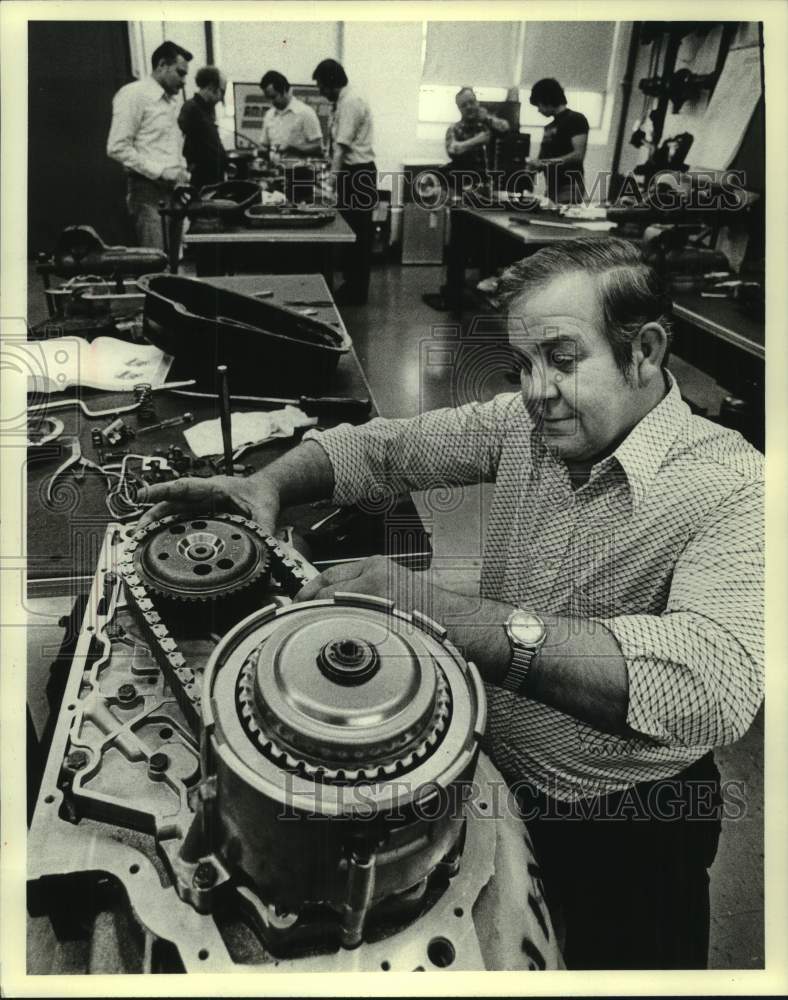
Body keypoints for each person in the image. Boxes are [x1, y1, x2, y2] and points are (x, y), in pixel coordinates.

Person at [137, 237, 763, 970]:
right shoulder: (525, 427)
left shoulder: (736, 488)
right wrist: (272, 484)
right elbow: (385, 450)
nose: (535, 391)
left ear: (646, 350)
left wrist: (441, 611)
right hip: (488, 781)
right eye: (523, 365)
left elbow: (716, 684)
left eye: (562, 359)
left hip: (626, 828)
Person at [107, 40, 193, 251]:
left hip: (173, 193)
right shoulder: (134, 94)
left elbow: (168, 145)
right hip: (148, 194)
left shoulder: (169, 102)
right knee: (156, 265)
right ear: (162, 65)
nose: (184, 82)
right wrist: (161, 171)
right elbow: (117, 146)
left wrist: (181, 171)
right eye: (180, 73)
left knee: (174, 265)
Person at [312, 58, 376, 306]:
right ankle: (351, 286)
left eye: (320, 86)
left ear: (331, 83)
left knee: (357, 237)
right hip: (352, 173)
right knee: (350, 235)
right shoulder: (341, 103)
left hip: (358, 174)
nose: (319, 91)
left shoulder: (350, 102)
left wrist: (329, 185)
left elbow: (340, 149)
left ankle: (357, 293)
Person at [526, 78, 589, 204]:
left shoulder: (576, 119)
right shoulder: (549, 127)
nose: (538, 110)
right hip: (552, 189)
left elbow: (578, 155)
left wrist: (544, 163)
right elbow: (543, 160)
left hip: (569, 187)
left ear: (547, 100)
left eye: (539, 105)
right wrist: (533, 165)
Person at [177, 65, 228, 190]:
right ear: (211, 87)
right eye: (222, 92)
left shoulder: (206, 110)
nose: (221, 99)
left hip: (212, 182)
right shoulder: (191, 108)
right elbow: (180, 142)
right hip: (200, 183)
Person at [445, 86, 510, 182]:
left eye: (471, 102)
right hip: (464, 182)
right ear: (459, 109)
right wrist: (476, 141)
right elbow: (452, 149)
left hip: (489, 182)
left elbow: (505, 127)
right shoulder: (454, 128)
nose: (469, 107)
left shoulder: (488, 124)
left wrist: (487, 118)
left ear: (477, 103)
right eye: (464, 105)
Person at [259, 70, 324, 159]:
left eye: (274, 97)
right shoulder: (269, 115)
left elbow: (318, 147)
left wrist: (293, 149)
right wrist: (261, 151)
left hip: (298, 170)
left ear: (285, 90)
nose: (271, 102)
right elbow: (264, 145)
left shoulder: (305, 113)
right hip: (274, 170)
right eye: (268, 98)